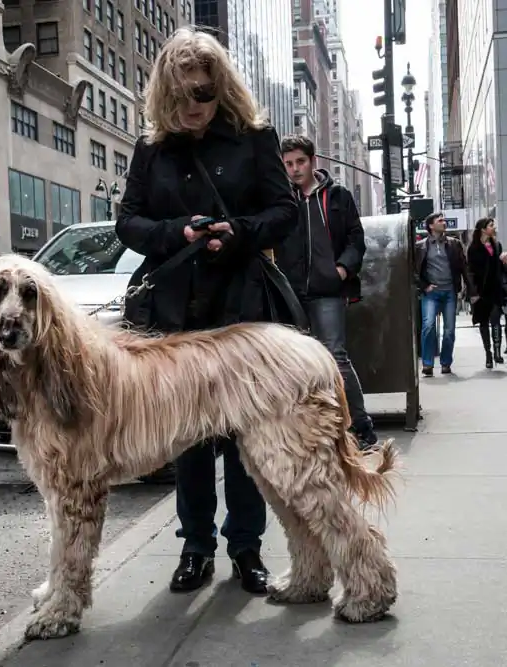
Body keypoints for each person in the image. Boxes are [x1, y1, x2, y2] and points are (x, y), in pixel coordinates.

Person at [114, 28, 297, 594]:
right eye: (186, 94)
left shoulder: (254, 138)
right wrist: (176, 232)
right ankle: (195, 547)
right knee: (187, 435)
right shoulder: (152, 147)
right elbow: (128, 221)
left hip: (240, 301)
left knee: (245, 430)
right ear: (167, 91)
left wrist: (238, 232)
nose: (196, 106)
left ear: (222, 89)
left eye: (206, 93)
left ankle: (246, 547)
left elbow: (284, 210)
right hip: (176, 309)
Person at [276, 134, 378, 447]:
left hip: (327, 290)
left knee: (335, 357)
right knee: (294, 364)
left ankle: (361, 427)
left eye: (300, 162)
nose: (294, 169)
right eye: (289, 163)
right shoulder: (282, 200)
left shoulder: (337, 196)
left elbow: (355, 238)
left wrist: (342, 269)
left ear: (312, 161)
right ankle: (309, 432)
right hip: (291, 293)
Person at [413, 212, 469, 375]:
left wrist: (468, 289)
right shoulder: (421, 246)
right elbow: (414, 271)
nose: (444, 223)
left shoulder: (454, 244)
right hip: (431, 293)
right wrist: (424, 286)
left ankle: (446, 362)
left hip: (449, 291)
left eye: (444, 220)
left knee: (449, 330)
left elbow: (463, 267)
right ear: (431, 226)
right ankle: (428, 364)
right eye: (440, 221)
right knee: (428, 326)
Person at [466, 217, 505, 369]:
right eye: (491, 225)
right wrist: (472, 292)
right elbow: (470, 271)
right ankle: (488, 353)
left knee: (496, 321)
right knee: (483, 323)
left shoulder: (496, 245)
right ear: (483, 229)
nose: (494, 227)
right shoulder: (473, 248)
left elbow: (500, 268)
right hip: (481, 291)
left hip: (495, 290)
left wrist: (503, 258)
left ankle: (497, 352)